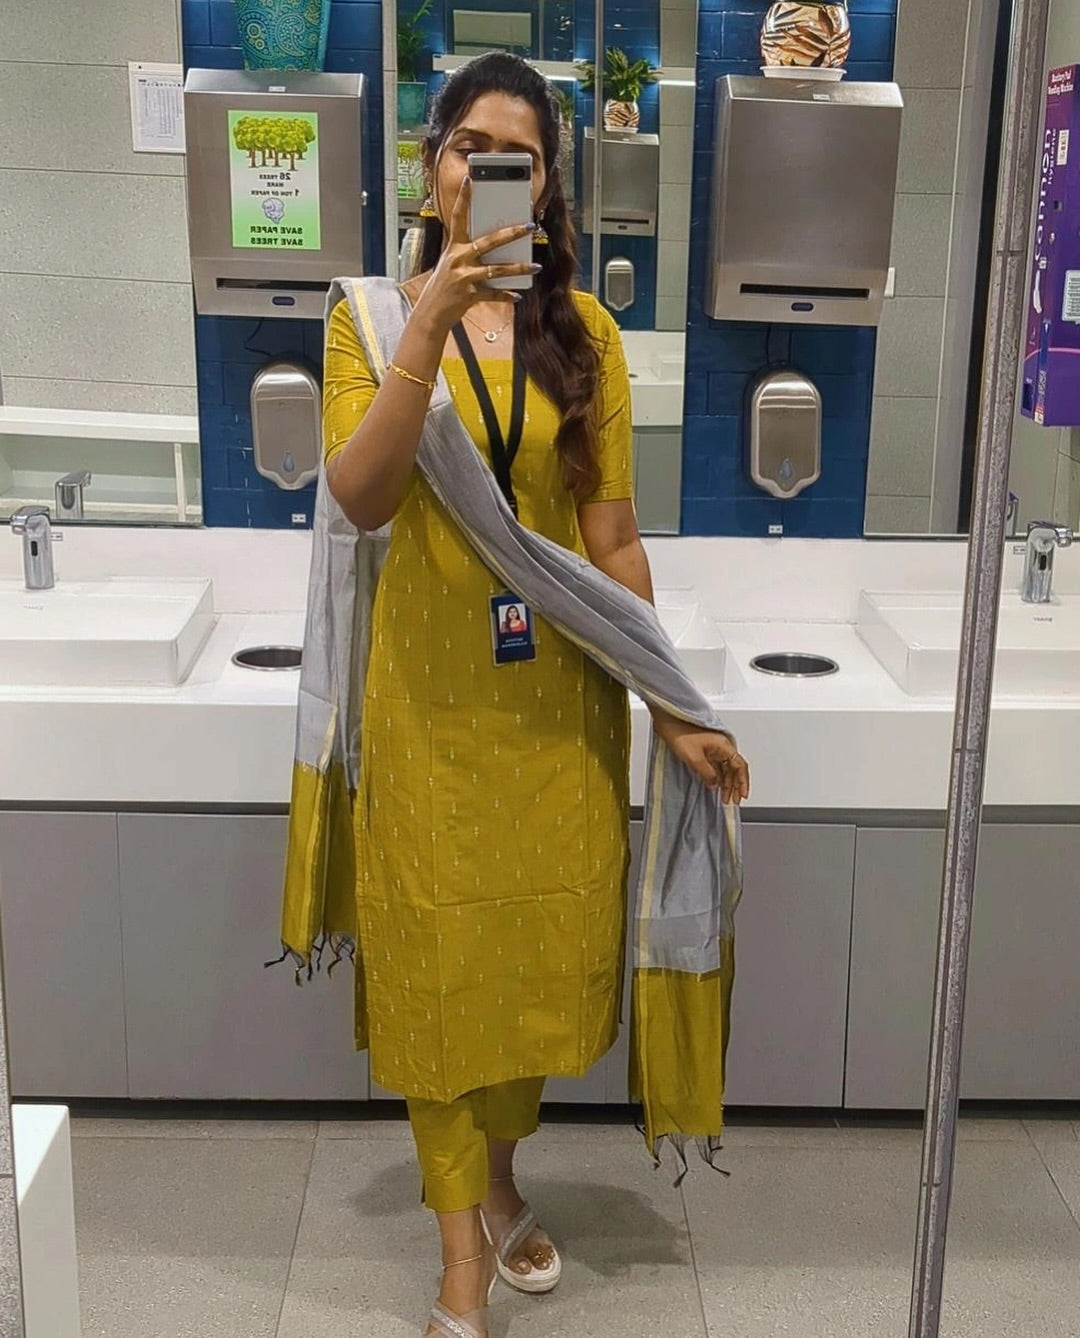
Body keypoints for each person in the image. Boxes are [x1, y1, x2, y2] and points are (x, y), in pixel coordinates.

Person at [321, 51, 749, 1338]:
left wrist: (674, 704)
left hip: (559, 714)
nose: (489, 171)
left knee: (528, 965)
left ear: (548, 187)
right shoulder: (369, 322)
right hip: (429, 712)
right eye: (471, 147)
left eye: (519, 157)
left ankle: (500, 1183)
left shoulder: (590, 339)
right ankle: (460, 1255)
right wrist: (434, 323)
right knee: (436, 965)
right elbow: (361, 496)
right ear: (432, 165)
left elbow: (612, 543)